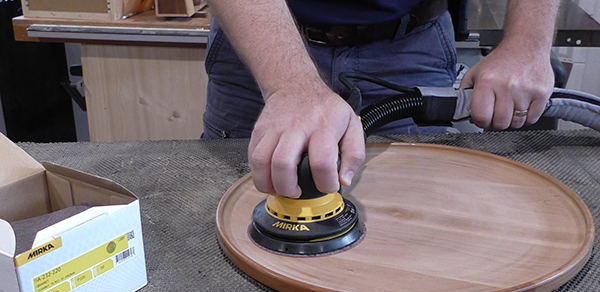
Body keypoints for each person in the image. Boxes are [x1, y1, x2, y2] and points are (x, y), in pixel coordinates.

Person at [203, 0, 560, 198]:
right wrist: (288, 86)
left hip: (410, 44)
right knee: (238, 203)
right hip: (260, 36)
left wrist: (527, 43)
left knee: (426, 216)